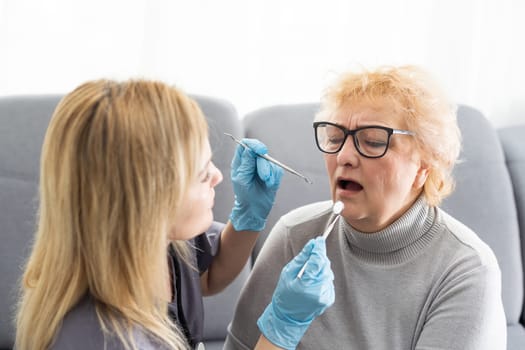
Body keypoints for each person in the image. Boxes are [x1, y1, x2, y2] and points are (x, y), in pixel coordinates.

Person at [14, 79, 335, 350]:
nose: (218, 177)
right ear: (147, 203)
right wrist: (282, 329)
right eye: (200, 174)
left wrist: (248, 215)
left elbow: (209, 275)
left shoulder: (159, 252)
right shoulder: (107, 339)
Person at [224, 65, 507, 350]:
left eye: (372, 142)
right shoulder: (293, 236)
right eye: (335, 138)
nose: (344, 156)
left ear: (424, 165)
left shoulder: (466, 271)